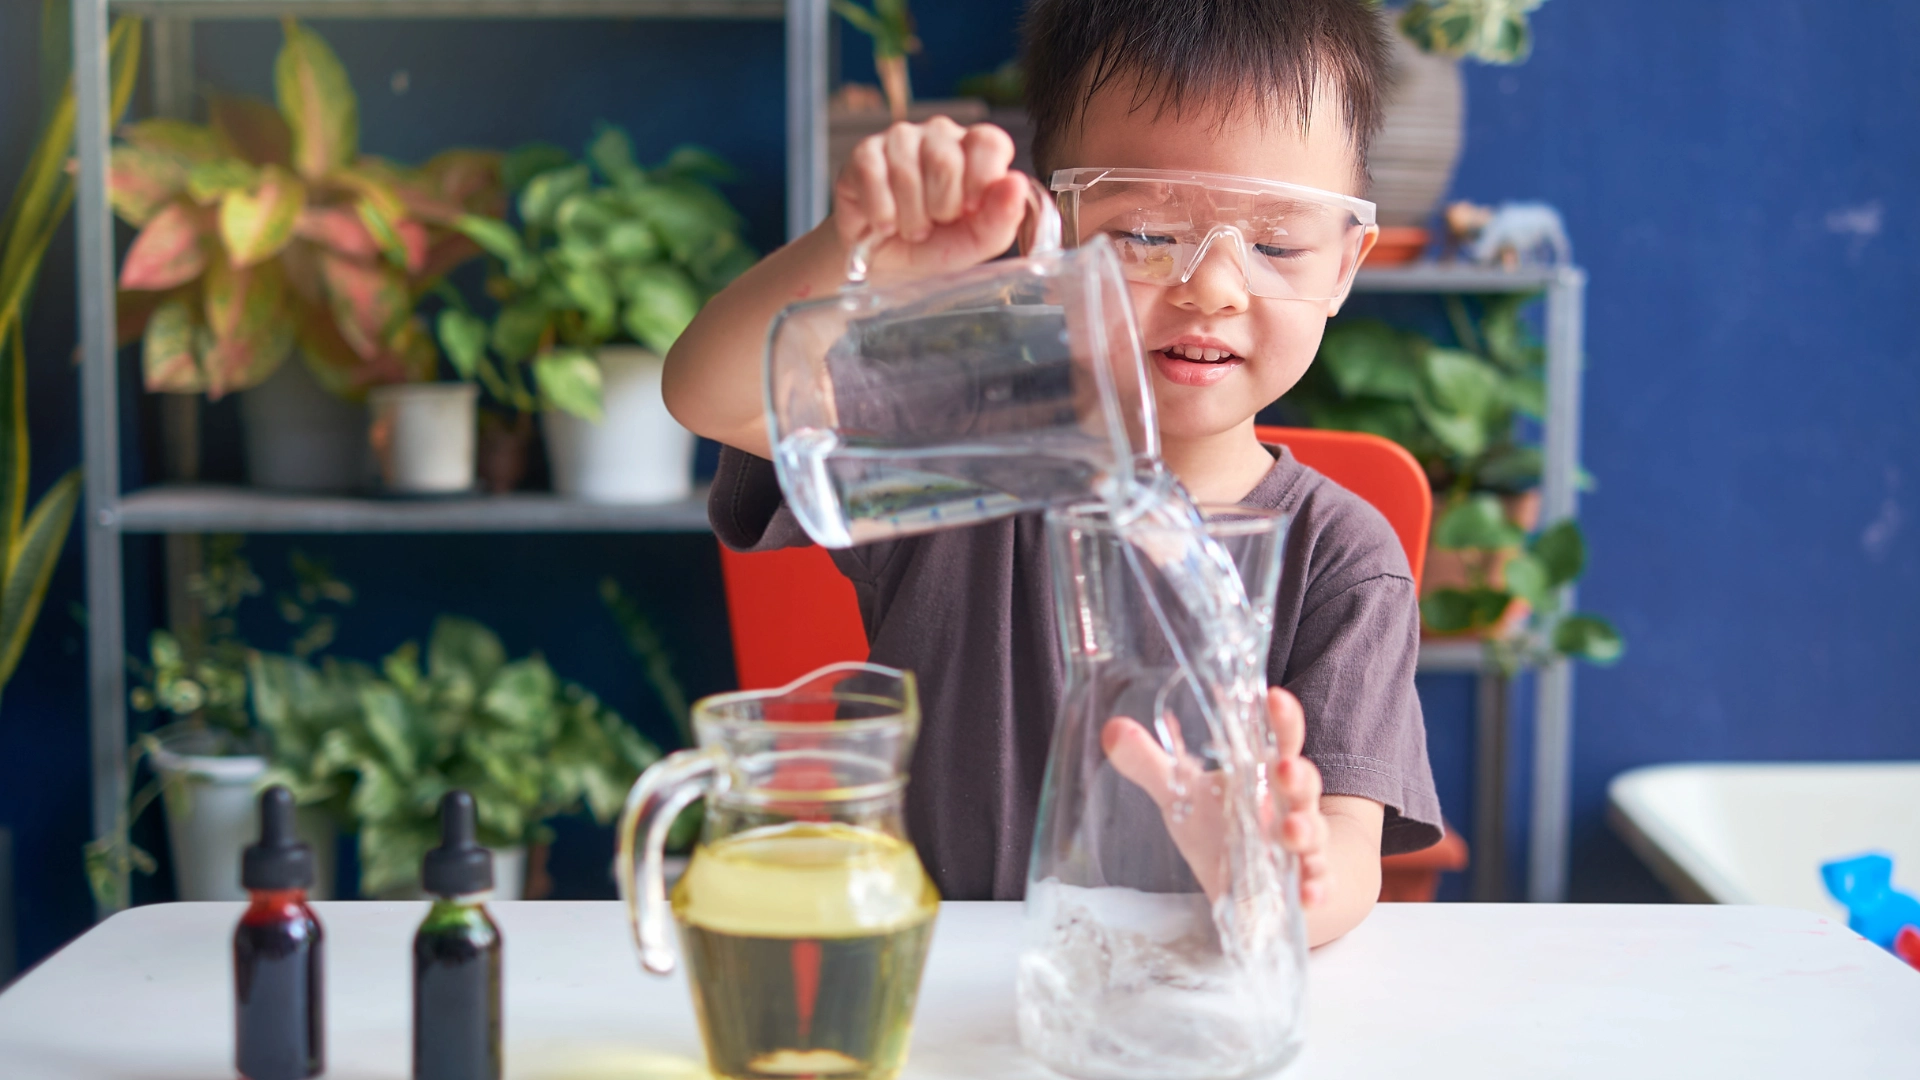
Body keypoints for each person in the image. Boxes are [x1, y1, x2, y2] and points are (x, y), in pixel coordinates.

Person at [664, 0, 1441, 946]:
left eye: (1277, 245)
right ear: (1057, 226)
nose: (1214, 287)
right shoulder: (968, 445)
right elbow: (709, 394)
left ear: (1347, 262)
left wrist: (1278, 873)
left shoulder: (1341, 558)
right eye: (1147, 232)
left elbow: (1349, 848)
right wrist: (855, 262)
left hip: (1189, 1002)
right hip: (937, 988)